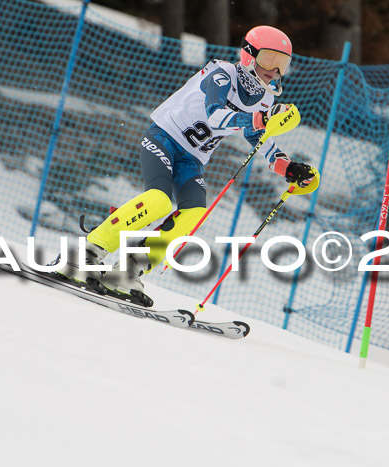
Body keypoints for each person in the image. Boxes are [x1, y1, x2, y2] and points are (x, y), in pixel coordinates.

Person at [55, 25, 315, 305]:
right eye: (269, 60)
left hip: (191, 159)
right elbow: (215, 115)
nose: (274, 71)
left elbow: (257, 136)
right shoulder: (221, 74)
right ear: (249, 56)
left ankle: (128, 270)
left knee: (194, 213)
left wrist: (288, 168)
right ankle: (86, 253)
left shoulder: (264, 98)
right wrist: (260, 119)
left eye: (282, 65)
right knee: (158, 201)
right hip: (165, 137)